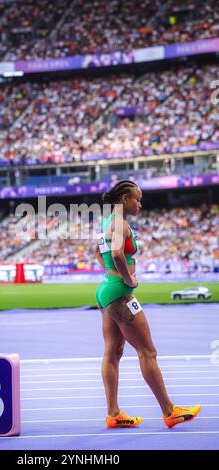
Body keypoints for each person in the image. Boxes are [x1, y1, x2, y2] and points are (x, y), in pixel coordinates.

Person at [95, 179, 201, 429]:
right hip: (120, 293)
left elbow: (100, 254)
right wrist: (127, 278)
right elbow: (119, 253)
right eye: (136, 198)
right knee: (148, 352)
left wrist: (111, 275)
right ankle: (169, 411)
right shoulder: (120, 224)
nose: (140, 204)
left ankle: (113, 413)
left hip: (105, 290)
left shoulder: (105, 223)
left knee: (113, 352)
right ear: (124, 199)